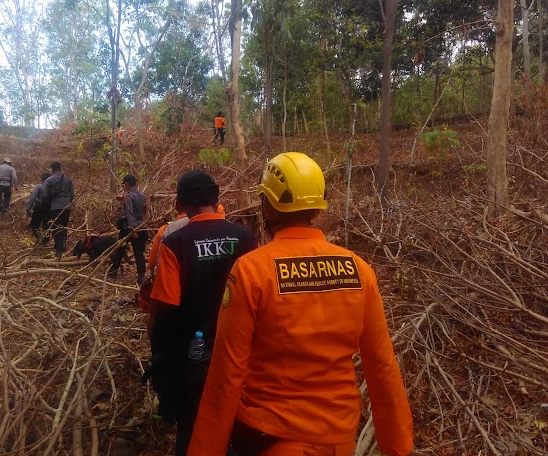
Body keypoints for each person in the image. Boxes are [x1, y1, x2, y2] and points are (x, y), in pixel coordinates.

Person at [187, 152, 414, 456]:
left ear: (267, 206)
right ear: (316, 206)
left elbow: (226, 373)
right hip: (338, 439)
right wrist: (398, 445)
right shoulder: (359, 270)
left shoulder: (252, 271)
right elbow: (382, 364)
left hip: (274, 437)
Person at [147, 170, 257, 456]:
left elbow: (167, 306)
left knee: (193, 427)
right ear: (217, 199)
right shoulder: (245, 237)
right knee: (238, 422)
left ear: (179, 204)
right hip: (240, 351)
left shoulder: (176, 242)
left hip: (192, 356)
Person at [118, 174, 148, 285]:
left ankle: (114, 269)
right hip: (142, 226)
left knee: (120, 246)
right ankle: (141, 276)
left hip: (131, 228)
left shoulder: (128, 196)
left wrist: (132, 229)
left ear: (126, 184)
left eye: (124, 184)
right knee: (139, 253)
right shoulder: (141, 194)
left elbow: (130, 214)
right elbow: (143, 210)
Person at [44, 162, 75, 260]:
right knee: (64, 226)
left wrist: (50, 203)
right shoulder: (68, 180)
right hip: (66, 206)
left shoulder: (49, 180)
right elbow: (72, 195)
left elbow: (45, 195)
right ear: (60, 168)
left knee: (56, 227)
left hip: (55, 206)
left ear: (52, 169)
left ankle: (58, 250)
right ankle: (63, 243)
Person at [25, 172, 51, 245]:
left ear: (42, 179)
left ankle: (39, 238)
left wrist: (28, 208)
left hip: (39, 207)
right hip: (49, 209)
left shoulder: (39, 186)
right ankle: (45, 242)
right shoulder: (53, 188)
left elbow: (32, 198)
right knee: (47, 226)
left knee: (34, 225)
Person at [0, 157, 18, 223]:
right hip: (7, 186)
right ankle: (4, 212)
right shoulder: (12, 169)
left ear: (3, 162)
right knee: (7, 198)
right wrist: (16, 187)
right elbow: (14, 177)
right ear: (9, 163)